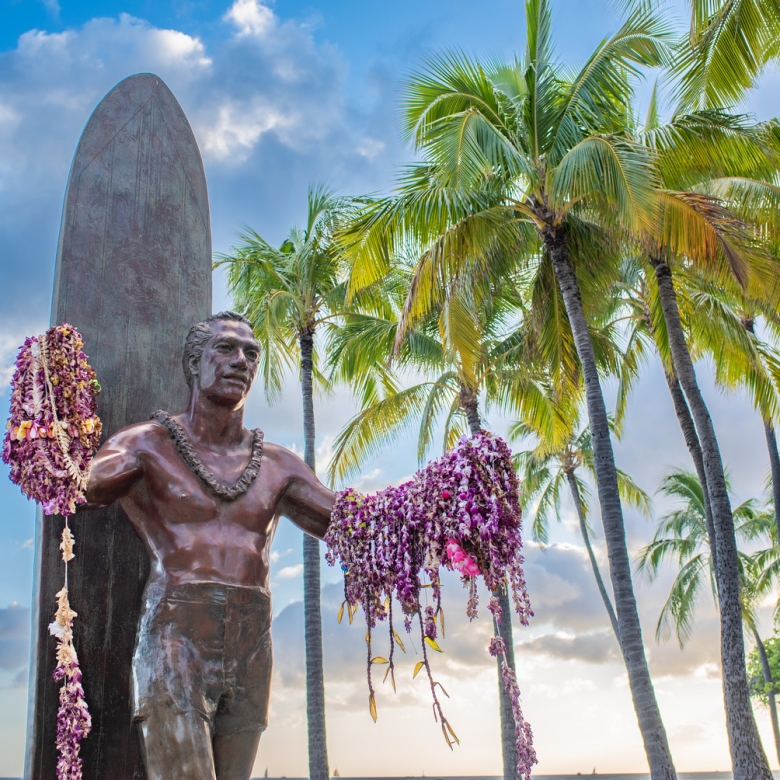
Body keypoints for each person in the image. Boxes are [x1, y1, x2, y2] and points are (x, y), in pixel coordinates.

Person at [82, 311, 336, 780]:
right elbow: (84, 488)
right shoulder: (146, 445)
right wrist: (53, 432)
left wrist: (442, 505)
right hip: (177, 634)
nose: (240, 361)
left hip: (251, 640)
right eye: (225, 348)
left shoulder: (279, 466)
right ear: (194, 363)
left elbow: (353, 525)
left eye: (251, 353)